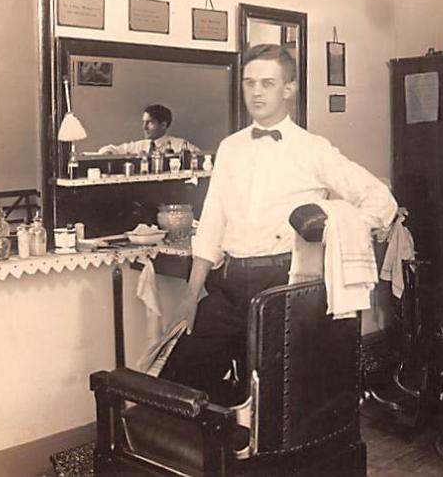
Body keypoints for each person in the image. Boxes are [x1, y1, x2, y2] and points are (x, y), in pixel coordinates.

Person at [158, 44, 398, 403]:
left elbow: (381, 200)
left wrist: (335, 228)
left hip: (283, 284)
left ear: (289, 88)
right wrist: (191, 296)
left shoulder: (313, 148)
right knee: (181, 379)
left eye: (267, 83)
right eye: (249, 82)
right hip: (228, 283)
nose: (256, 92)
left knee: (270, 392)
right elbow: (211, 223)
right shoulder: (230, 147)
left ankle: (251, 436)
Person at [97, 104, 200, 155]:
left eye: (149, 122)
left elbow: (201, 157)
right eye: (143, 122)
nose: (144, 127)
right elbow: (109, 149)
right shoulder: (139, 146)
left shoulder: (180, 145)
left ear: (163, 125)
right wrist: (108, 153)